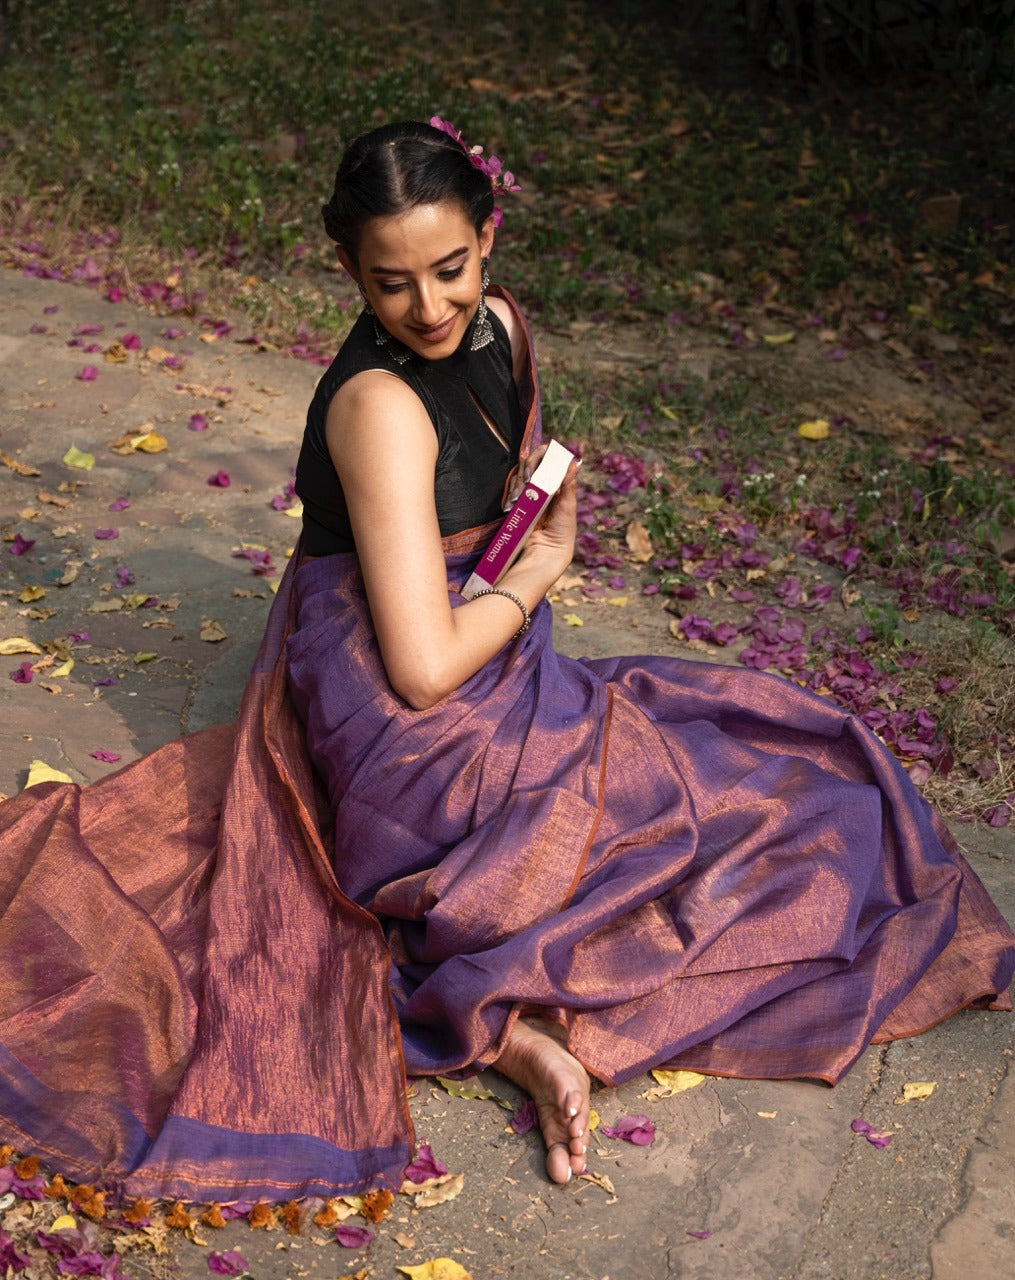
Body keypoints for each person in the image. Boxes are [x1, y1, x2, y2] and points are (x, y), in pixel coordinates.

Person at [0, 119, 1012, 1205]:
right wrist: (548, 567)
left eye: (449, 271)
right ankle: (496, 1010)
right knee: (737, 823)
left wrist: (512, 562)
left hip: (477, 634)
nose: (428, 308)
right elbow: (425, 670)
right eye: (391, 285)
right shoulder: (378, 404)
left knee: (788, 771)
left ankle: (511, 1019)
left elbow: (491, 495)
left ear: (489, 241)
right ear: (349, 271)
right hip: (402, 700)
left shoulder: (501, 328)